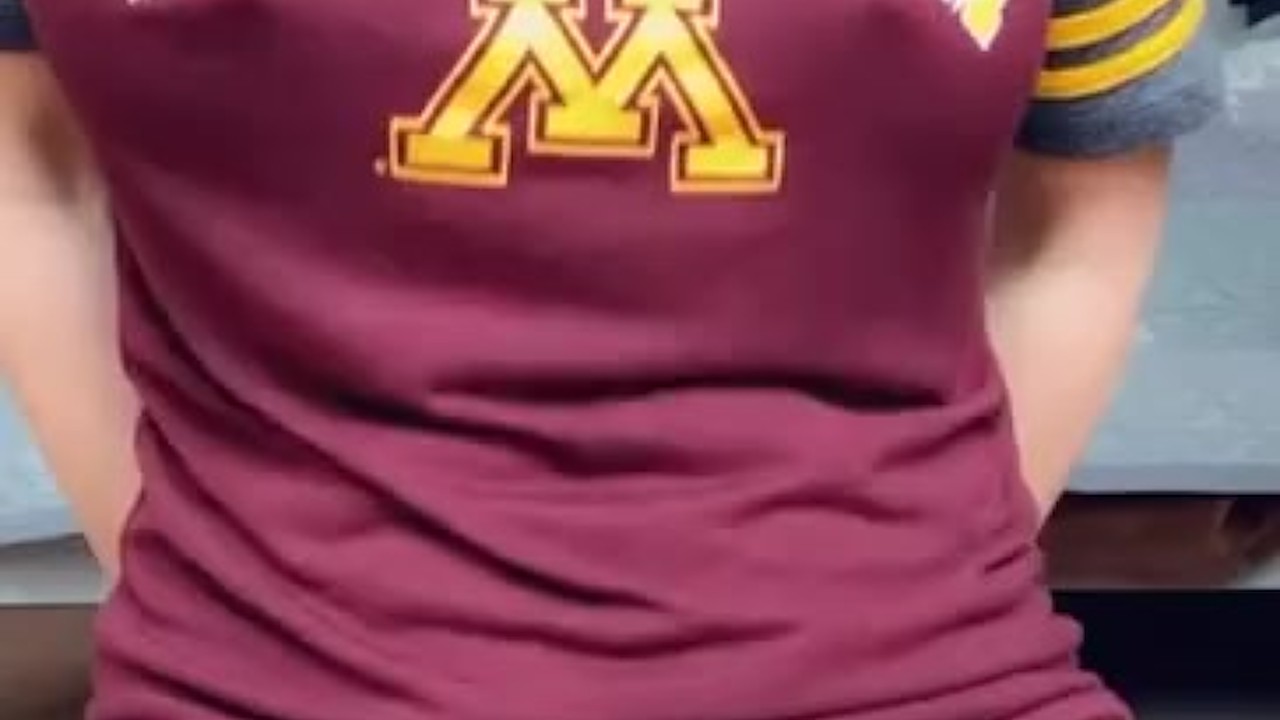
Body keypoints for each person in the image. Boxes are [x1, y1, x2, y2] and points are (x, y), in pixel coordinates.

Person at [0, 0, 1219, 718]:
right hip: (264, 685)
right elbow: (26, 168)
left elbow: (1074, 227)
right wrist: (196, 568)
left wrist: (915, 580)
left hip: (930, 684)